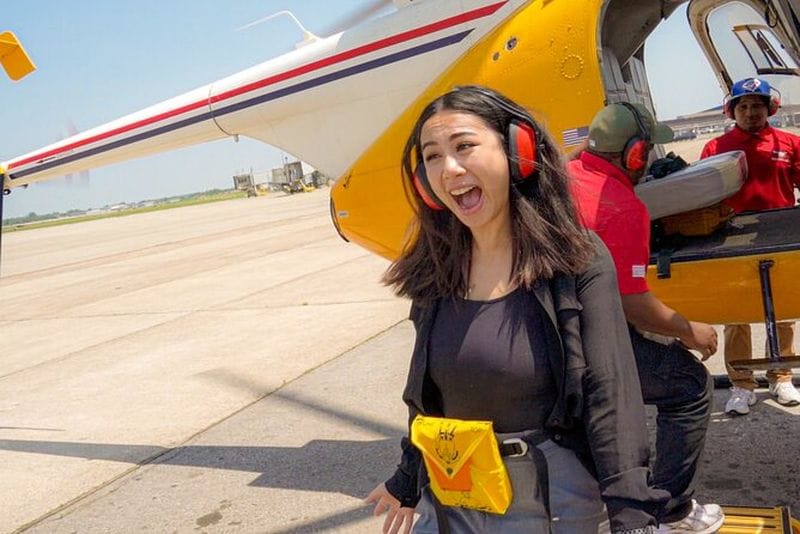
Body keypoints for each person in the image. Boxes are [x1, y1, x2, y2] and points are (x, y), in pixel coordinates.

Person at [365, 85, 669, 534]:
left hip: (545, 497)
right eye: (431, 156)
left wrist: (634, 517)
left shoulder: (578, 258)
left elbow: (611, 394)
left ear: (517, 151)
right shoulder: (435, 270)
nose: (449, 169)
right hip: (452, 486)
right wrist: (408, 477)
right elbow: (429, 395)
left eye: (464, 146)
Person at [566, 102, 724, 534]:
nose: (649, 160)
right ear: (634, 155)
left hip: (545, 329)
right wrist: (690, 330)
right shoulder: (623, 207)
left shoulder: (563, 178)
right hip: (583, 340)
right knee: (689, 386)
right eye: (647, 152)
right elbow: (632, 304)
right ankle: (671, 511)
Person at [700, 77, 800, 413]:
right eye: (743, 106)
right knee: (736, 316)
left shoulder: (790, 143)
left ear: (769, 108)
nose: (750, 112)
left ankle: (781, 377)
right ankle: (741, 384)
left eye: (757, 105)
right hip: (733, 239)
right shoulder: (715, 148)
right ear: (732, 111)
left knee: (784, 313)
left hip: (781, 236)